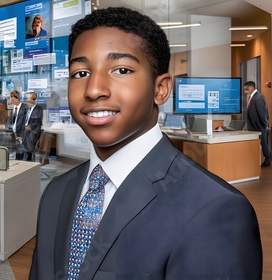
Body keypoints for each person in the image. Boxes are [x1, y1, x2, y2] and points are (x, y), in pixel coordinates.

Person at [29, 7, 262, 280]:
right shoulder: (56, 193)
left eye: (122, 69)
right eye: (80, 73)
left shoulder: (215, 210)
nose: (93, 90)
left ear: (160, 89)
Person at [245, 80, 270, 167]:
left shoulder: (258, 97)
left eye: (246, 89)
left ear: (251, 88)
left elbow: (262, 113)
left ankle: (268, 160)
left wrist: (266, 125)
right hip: (254, 126)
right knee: (260, 143)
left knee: (264, 144)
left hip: (260, 126)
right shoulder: (253, 97)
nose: (245, 91)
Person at [22, 91, 43, 161]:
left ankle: (27, 165)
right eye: (27, 98)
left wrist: (30, 127)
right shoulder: (27, 109)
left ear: (34, 100)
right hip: (25, 132)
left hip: (33, 133)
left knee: (28, 151)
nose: (27, 100)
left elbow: (38, 121)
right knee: (24, 150)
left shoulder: (38, 109)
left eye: (29, 98)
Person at [7, 90, 28, 159]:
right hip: (13, 136)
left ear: (19, 98)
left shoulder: (25, 108)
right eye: (11, 97)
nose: (12, 98)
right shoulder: (13, 110)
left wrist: (23, 136)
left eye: (15, 97)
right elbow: (9, 125)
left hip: (22, 137)